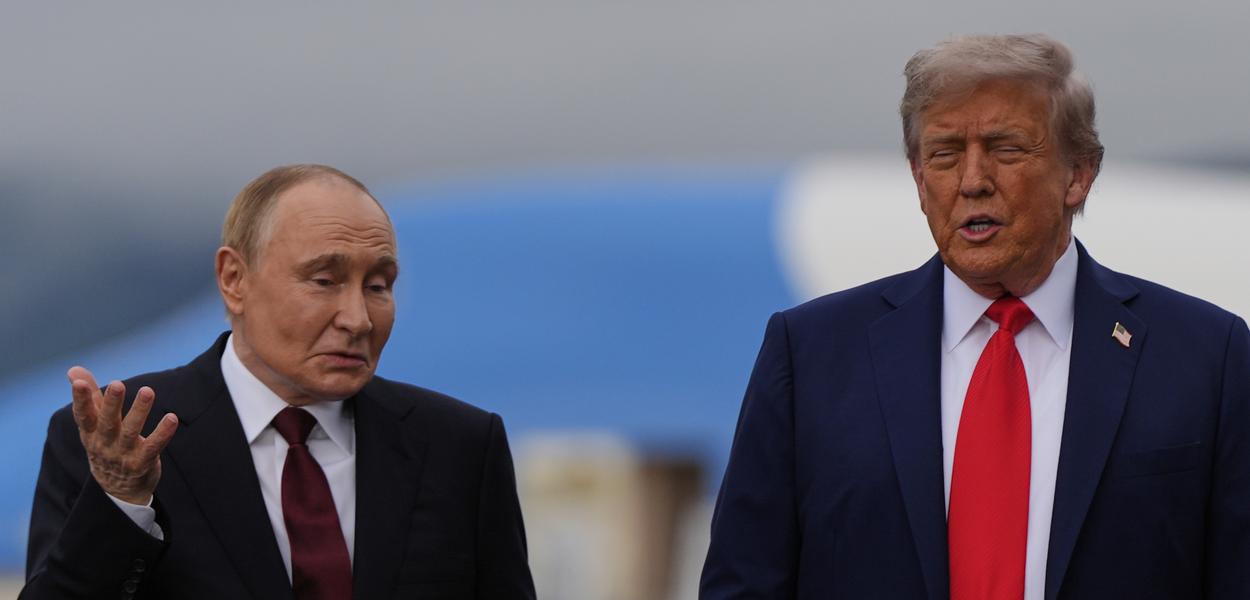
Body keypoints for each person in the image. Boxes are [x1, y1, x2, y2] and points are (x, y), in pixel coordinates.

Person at [700, 34, 1249, 599]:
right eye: (943, 155)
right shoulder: (811, 352)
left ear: (1079, 173)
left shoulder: (1208, 355)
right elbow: (743, 584)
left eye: (1006, 149)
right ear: (918, 179)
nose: (972, 180)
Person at [22, 165, 537, 599]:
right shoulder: (118, 440)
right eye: (324, 281)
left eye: (379, 285)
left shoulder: (460, 446)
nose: (358, 319)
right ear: (234, 280)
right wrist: (121, 502)